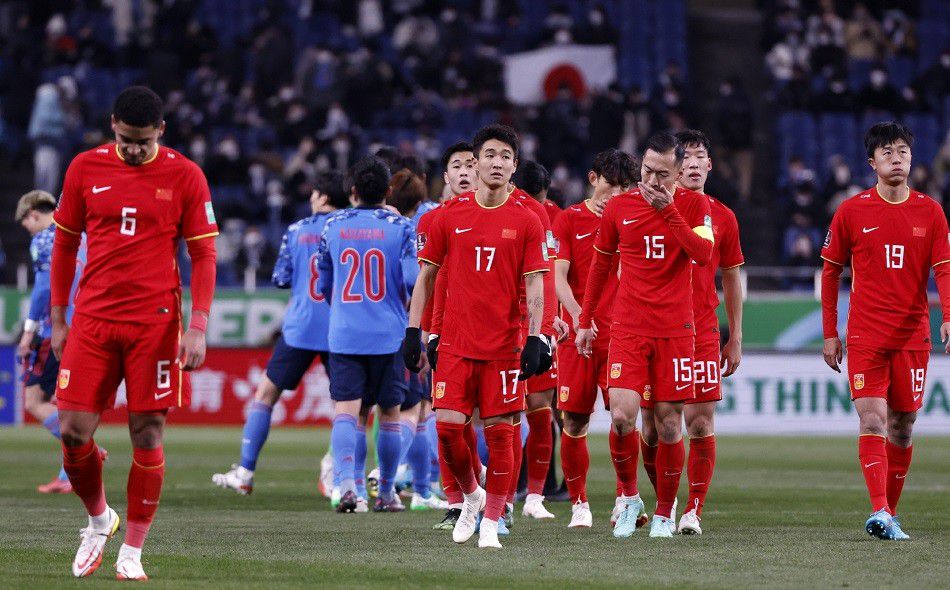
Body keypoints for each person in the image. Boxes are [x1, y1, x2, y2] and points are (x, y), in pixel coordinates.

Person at [51, 86, 218, 580]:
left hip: (156, 324)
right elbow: (64, 247)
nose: (133, 150)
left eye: (143, 142)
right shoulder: (84, 167)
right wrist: (59, 318)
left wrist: (199, 326)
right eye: (126, 139)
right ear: (112, 126)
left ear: (161, 132)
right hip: (93, 321)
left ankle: (133, 552)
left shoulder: (186, 175)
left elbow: (203, 254)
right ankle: (100, 518)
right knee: (72, 432)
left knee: (147, 431)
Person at [403, 124, 548, 549]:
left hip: (505, 345)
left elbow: (537, 285)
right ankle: (471, 496)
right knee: (447, 430)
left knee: (502, 432)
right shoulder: (449, 216)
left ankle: (492, 519)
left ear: (514, 166)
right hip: (455, 343)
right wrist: (414, 329)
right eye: (490, 155)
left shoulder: (527, 219)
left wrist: (536, 338)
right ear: (477, 161)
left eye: (506, 156)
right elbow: (426, 277)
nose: (497, 163)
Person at [576, 132, 714, 539]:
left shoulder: (694, 204)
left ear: (676, 173)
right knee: (620, 416)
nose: (652, 181)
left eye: (662, 174)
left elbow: (704, 255)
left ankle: (665, 512)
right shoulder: (619, 207)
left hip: (675, 330)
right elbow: (600, 267)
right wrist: (585, 320)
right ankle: (629, 496)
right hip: (629, 327)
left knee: (670, 426)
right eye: (647, 171)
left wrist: (670, 211)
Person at [821, 121, 950, 541]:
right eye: (888, 152)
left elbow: (944, 269)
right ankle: (878, 509)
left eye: (903, 153)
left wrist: (947, 315)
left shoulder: (930, 211)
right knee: (873, 420)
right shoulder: (852, 211)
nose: (897, 159)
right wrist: (829, 331)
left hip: (912, 336)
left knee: (903, 425)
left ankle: (888, 514)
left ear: (911, 160)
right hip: (865, 335)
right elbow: (830, 271)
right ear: (872, 162)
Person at [211, 171, 348, 498]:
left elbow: (280, 279)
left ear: (322, 198)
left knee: (266, 395)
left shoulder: (297, 230)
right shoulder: (350, 230)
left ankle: (245, 471)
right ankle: (336, 473)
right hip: (341, 329)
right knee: (347, 407)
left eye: (314, 193)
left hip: (300, 328)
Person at [638, 130, 745, 535]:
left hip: (700, 329)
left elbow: (731, 278)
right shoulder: (645, 208)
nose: (697, 164)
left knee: (700, 423)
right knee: (652, 428)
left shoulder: (723, 217)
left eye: (704, 156)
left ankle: (693, 510)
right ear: (677, 167)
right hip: (653, 328)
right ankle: (666, 497)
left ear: (710, 165)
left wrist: (734, 336)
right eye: (690, 158)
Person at [317, 156, 418, 513]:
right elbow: (412, 281)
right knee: (390, 413)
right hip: (389, 334)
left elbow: (324, 284)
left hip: (345, 333)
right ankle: (387, 492)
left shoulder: (332, 226)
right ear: (389, 190)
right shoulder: (402, 227)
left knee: (347, 412)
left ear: (353, 190)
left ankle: (347, 486)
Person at [553, 149, 637, 528]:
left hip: (622, 335)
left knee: (624, 419)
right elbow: (558, 276)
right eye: (609, 184)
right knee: (574, 420)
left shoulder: (635, 221)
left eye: (623, 187)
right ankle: (579, 504)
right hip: (579, 336)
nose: (615, 194)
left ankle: (625, 497)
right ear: (592, 179)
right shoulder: (569, 220)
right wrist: (577, 317)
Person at [417, 141, 484, 531]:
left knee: (492, 420)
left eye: (469, 164)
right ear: (445, 177)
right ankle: (460, 502)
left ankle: (496, 505)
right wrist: (425, 332)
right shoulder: (431, 223)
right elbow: (425, 283)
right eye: (455, 165)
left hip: (493, 336)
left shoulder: (507, 214)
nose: (463, 171)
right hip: (446, 335)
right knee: (449, 423)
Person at [15, 190, 98, 494]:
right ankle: (68, 474)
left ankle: (87, 450)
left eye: (25, 221)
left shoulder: (45, 240)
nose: (25, 227)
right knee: (67, 402)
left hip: (57, 330)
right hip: (87, 327)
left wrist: (28, 330)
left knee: (34, 400)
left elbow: (42, 288)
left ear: (33, 214)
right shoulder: (84, 237)